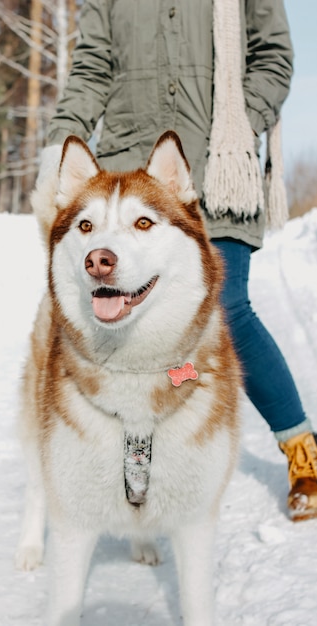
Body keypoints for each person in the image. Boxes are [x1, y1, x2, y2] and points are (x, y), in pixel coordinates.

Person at [36, 0, 317, 521]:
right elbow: (93, 62)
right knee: (118, 320)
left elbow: (273, 55)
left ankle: (301, 448)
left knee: (223, 306)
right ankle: (139, 451)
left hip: (218, 167)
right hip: (128, 172)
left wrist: (233, 123)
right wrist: (59, 145)